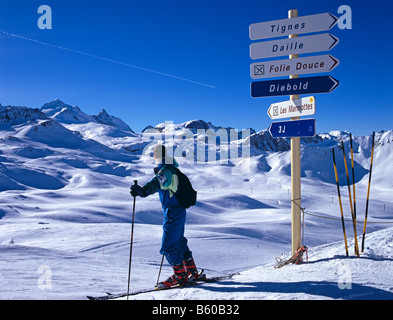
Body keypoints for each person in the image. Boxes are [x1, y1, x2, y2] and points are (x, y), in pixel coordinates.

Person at [130, 144, 198, 288]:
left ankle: (180, 276)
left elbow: (154, 184)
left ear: (156, 156)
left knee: (167, 246)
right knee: (179, 241)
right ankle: (192, 271)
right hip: (179, 210)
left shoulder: (165, 171)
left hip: (172, 211)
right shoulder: (174, 169)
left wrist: (140, 191)